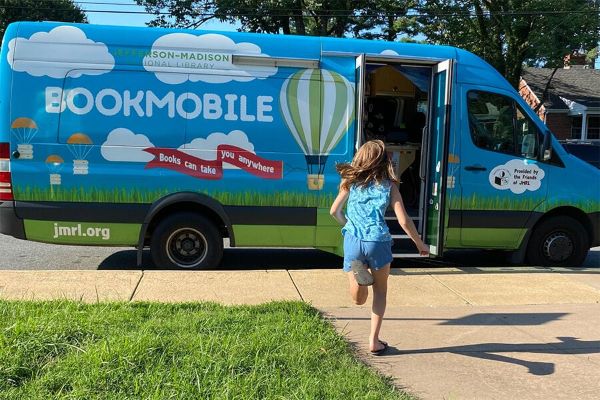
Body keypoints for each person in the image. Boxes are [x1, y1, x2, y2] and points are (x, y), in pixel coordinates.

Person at [329, 139, 429, 355]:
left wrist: (349, 225)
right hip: (378, 241)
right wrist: (420, 244)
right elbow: (404, 221)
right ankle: (374, 342)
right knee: (380, 292)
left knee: (358, 300)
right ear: (384, 162)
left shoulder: (350, 182)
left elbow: (334, 211)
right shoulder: (389, 187)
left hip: (353, 240)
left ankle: (360, 279)